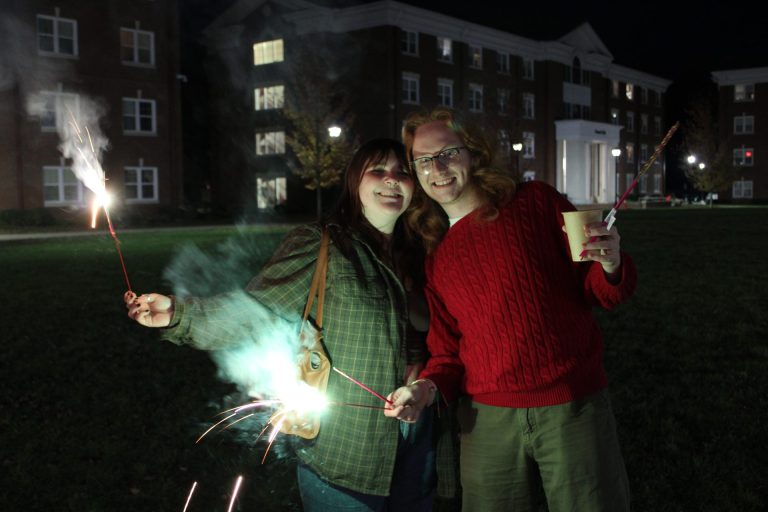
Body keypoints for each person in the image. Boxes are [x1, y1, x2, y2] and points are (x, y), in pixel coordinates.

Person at [124, 138, 435, 511]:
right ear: (355, 183)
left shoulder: (420, 252)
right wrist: (178, 314)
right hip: (349, 452)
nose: (392, 180)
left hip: (417, 437)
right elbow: (253, 312)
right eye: (378, 171)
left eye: (403, 172)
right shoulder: (323, 245)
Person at [384, 107, 637, 512]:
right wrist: (424, 389)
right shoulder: (436, 257)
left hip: (570, 405)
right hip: (487, 421)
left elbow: (598, 290)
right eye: (424, 160)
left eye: (448, 152)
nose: (438, 168)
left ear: (473, 153)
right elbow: (448, 355)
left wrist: (610, 264)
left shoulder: (537, 202)